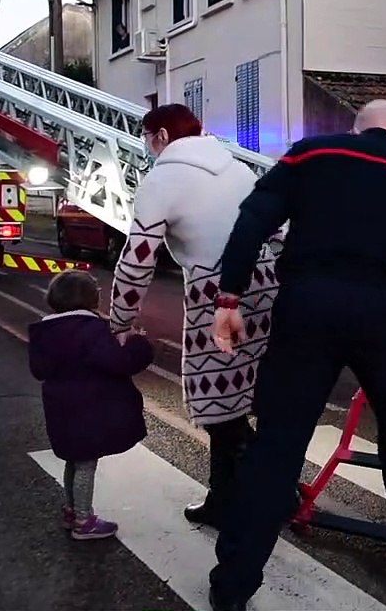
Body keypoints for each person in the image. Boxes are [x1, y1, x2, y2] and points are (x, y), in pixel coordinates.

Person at [205, 100, 386, 610]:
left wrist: (229, 297)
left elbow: (252, 220)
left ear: (355, 129)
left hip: (307, 307)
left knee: (277, 450)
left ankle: (233, 585)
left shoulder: (310, 155)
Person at [107, 103, 282, 527]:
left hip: (214, 294)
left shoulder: (162, 179)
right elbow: (276, 229)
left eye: (148, 138)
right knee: (251, 397)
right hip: (267, 286)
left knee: (218, 404)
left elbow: (137, 259)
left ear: (162, 136)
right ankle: (253, 487)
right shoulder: (236, 167)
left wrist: (120, 319)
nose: (148, 147)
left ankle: (246, 494)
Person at [28, 269, 155, 540]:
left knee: (73, 461)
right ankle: (84, 521)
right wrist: (138, 343)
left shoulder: (44, 330)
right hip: (88, 411)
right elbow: (119, 363)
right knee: (86, 464)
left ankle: (72, 510)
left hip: (60, 408)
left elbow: (39, 369)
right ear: (89, 299)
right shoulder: (90, 330)